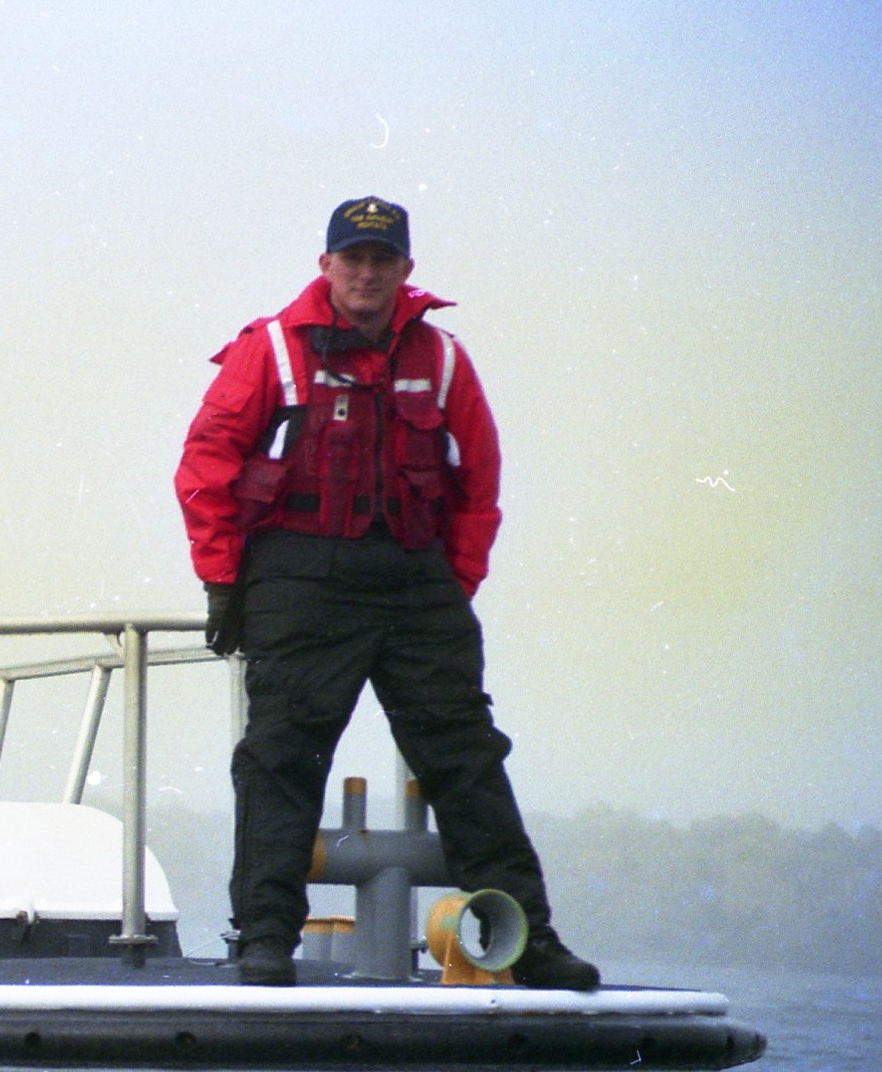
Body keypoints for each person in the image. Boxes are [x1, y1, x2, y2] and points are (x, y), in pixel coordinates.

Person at [174, 195, 599, 990]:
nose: (366, 274)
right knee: (280, 758)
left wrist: (452, 584)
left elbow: (478, 483)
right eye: (352, 259)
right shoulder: (270, 349)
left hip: (413, 579)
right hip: (300, 578)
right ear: (325, 264)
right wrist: (223, 581)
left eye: (381, 260)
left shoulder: (442, 360)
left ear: (405, 269)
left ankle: (528, 941)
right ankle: (265, 941)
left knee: (465, 758)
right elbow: (205, 466)